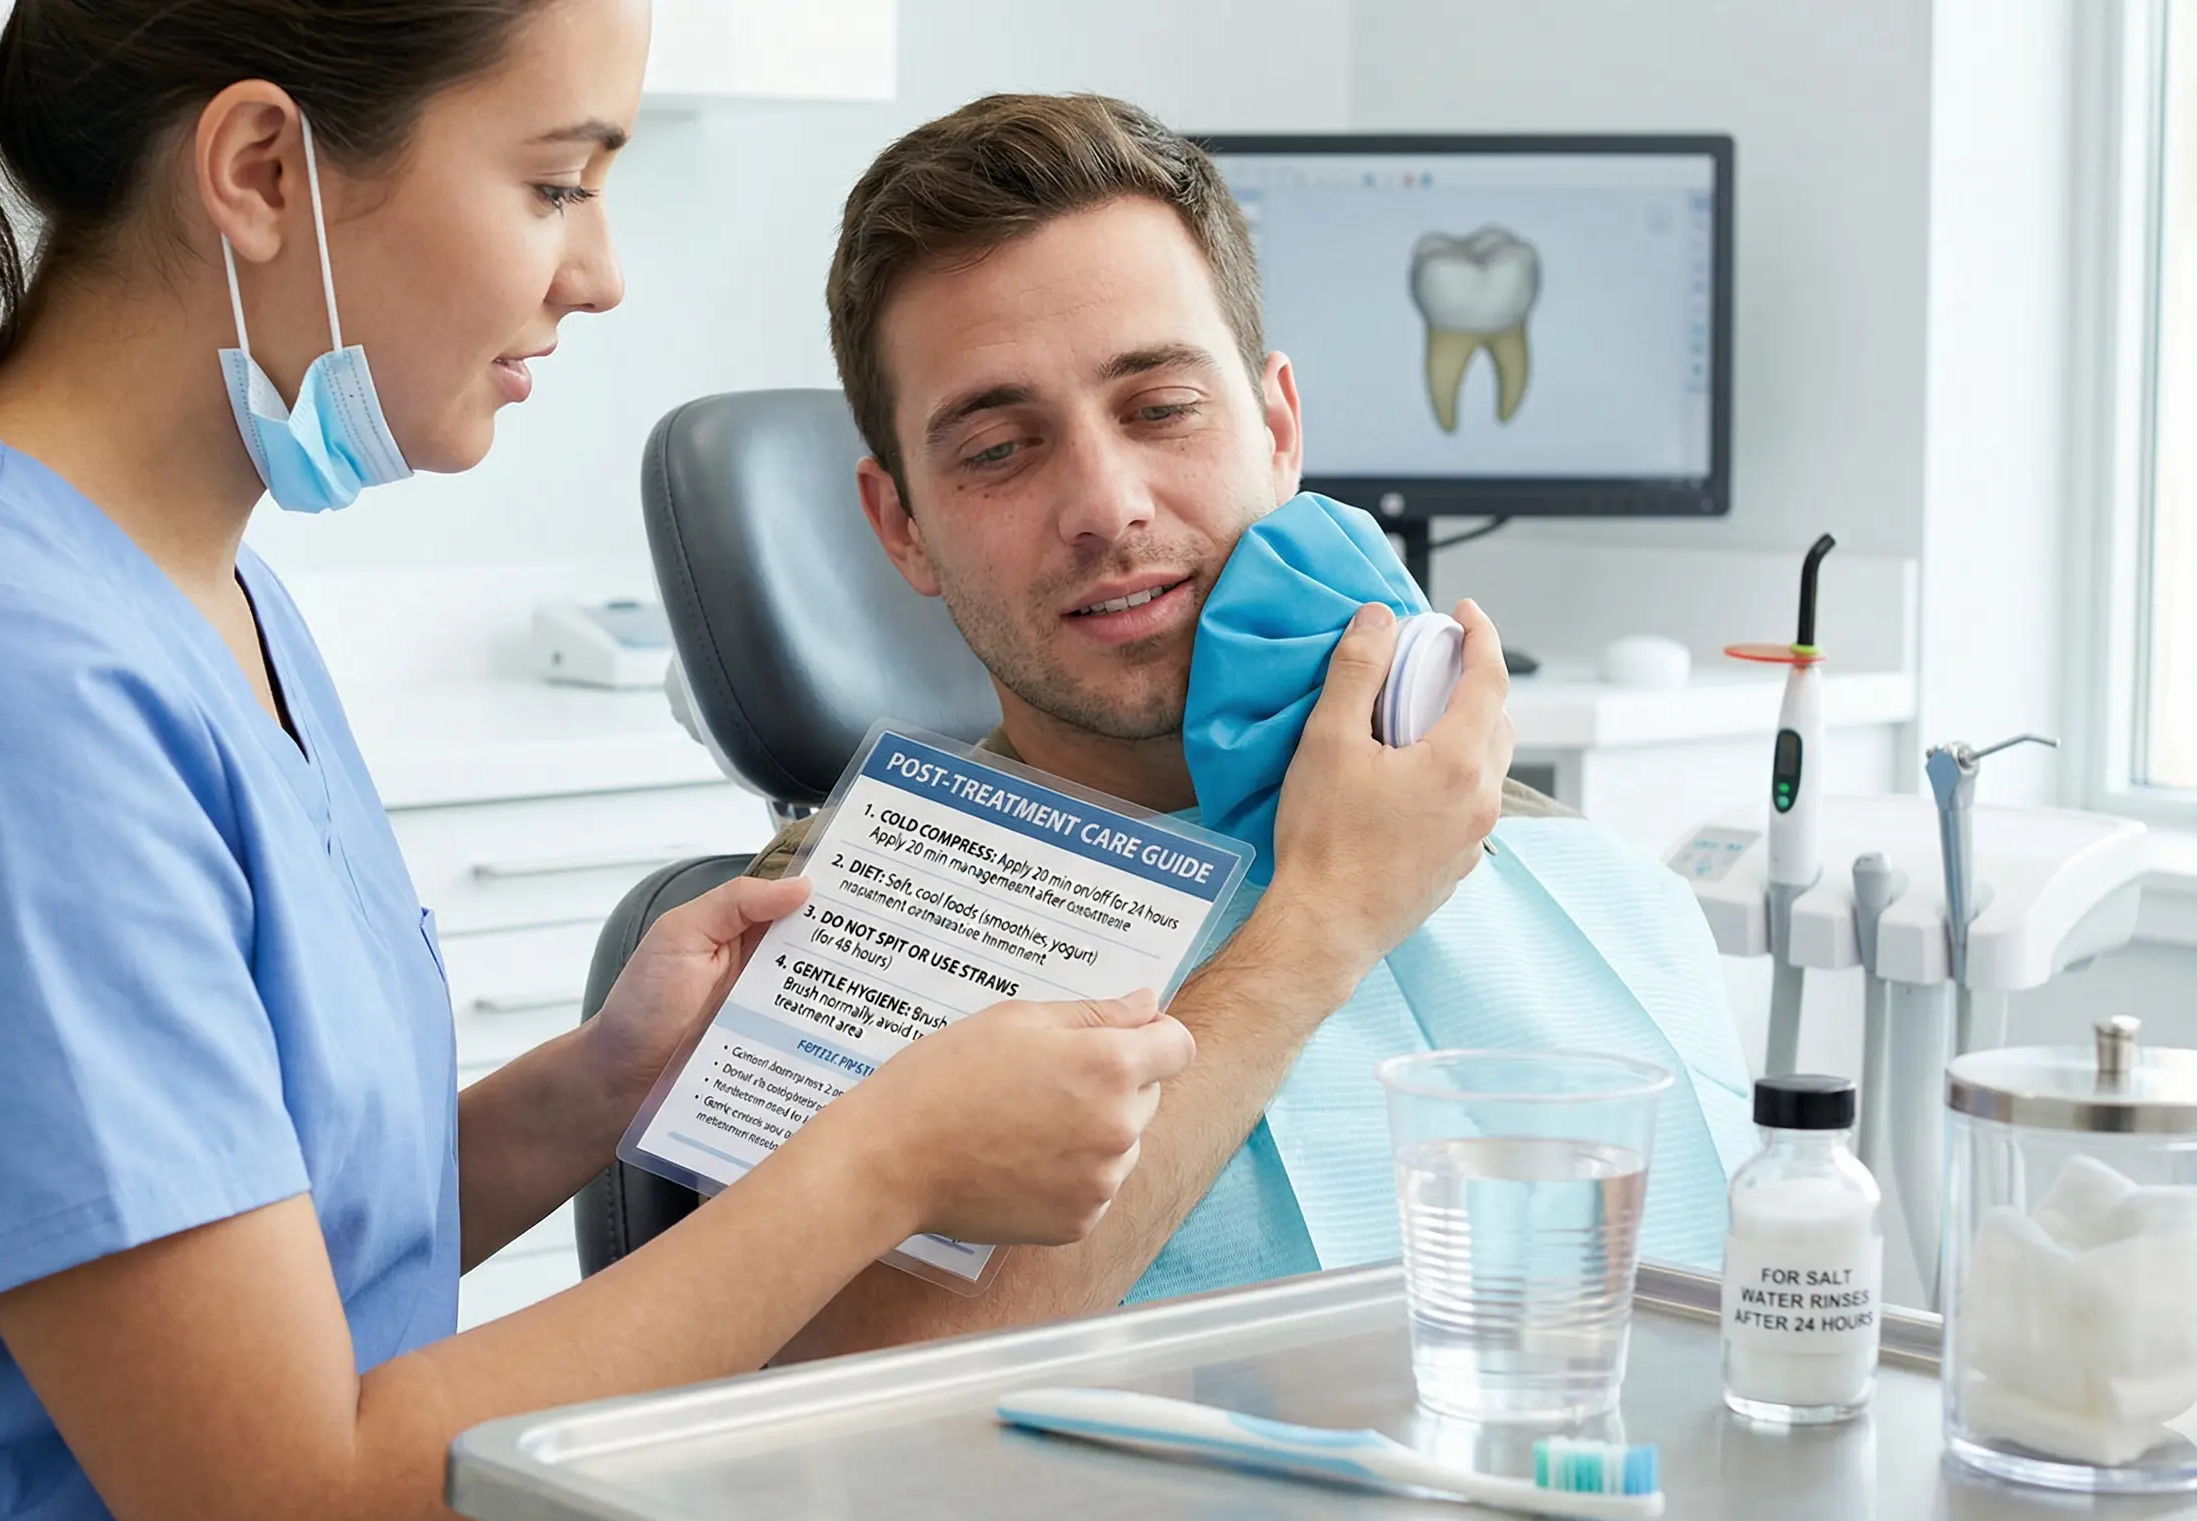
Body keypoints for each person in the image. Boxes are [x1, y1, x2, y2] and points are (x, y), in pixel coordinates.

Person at [0, 8, 1248, 1521]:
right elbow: (282, 1498)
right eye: (554, 185)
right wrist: (886, 1161)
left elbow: (260, 1252)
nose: (598, 274)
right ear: (261, 173)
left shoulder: (202, 596)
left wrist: (592, 1092)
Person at [741, 93, 1757, 1361]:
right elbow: (822, 1407)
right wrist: (1318, 923)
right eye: (999, 448)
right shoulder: (826, 925)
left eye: (1160, 408)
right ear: (901, 527)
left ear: (1277, 430)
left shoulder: (1561, 866)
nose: (1107, 504)